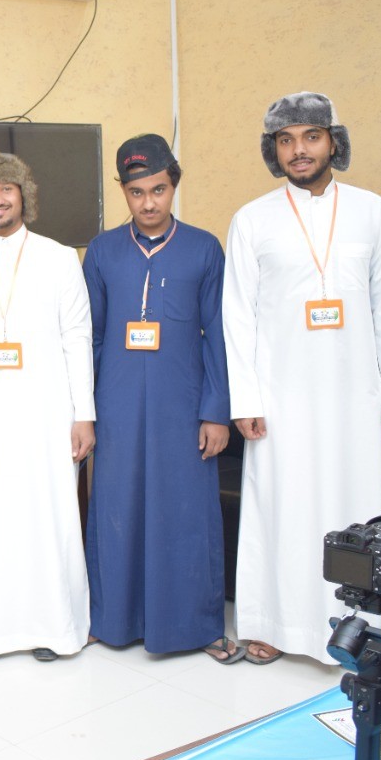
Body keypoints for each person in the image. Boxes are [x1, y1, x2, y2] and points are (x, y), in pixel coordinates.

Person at [223, 92, 381, 664]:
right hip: (279, 397)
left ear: (334, 141)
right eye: (285, 140)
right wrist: (246, 397)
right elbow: (237, 316)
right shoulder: (252, 219)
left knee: (351, 506)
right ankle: (272, 624)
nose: (299, 150)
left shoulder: (371, 211)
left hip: (352, 394)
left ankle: (356, 629)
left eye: (311, 136)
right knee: (279, 508)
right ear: (273, 150)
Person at [82, 135, 240, 663]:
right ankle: (111, 620)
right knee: (116, 507)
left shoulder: (204, 248)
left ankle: (195, 626)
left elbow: (218, 335)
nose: (148, 203)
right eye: (136, 192)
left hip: (183, 404)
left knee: (186, 512)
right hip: (117, 403)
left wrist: (215, 411)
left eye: (158, 190)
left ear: (174, 186)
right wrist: (87, 411)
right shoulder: (102, 251)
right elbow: (90, 338)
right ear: (122, 192)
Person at [0, 152, 95, 661]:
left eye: (6, 189)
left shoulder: (58, 257)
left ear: (23, 194)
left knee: (48, 518)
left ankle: (55, 627)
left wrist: (84, 414)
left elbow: (77, 337)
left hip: (48, 414)